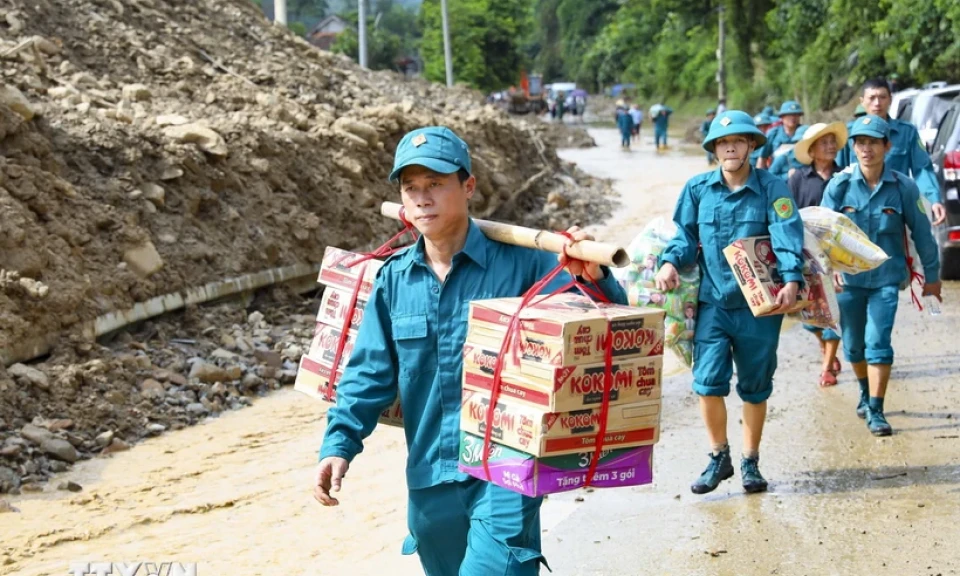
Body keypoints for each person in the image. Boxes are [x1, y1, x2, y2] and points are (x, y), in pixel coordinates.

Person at [313, 126, 627, 576]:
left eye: (436, 184)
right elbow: (369, 374)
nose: (422, 198)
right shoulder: (394, 279)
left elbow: (605, 328)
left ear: (469, 186)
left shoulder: (527, 263)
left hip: (505, 473)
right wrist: (339, 445)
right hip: (428, 478)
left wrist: (594, 275)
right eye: (411, 188)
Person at [656, 110, 805, 495]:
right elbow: (684, 237)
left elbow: (787, 235)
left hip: (761, 309)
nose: (730, 148)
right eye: (723, 143)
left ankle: (750, 461)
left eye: (738, 141)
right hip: (712, 304)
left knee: (756, 386)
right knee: (707, 383)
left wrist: (791, 278)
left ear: (752, 145)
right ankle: (718, 456)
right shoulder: (697, 189)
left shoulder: (773, 189)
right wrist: (670, 262)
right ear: (714, 149)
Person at [821, 115, 941, 436]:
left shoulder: (903, 186)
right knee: (853, 347)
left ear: (887, 146)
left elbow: (923, 234)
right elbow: (819, 234)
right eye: (861, 142)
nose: (866, 149)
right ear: (853, 148)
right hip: (847, 283)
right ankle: (863, 390)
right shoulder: (839, 186)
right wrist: (824, 273)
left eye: (874, 142)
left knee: (878, 342)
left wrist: (932, 277)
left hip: (887, 279)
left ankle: (876, 408)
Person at [837, 78, 946, 225]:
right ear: (862, 101)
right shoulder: (849, 133)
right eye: (872, 98)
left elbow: (922, 169)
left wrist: (934, 199)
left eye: (882, 97)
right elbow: (838, 173)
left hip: (895, 210)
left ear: (890, 99)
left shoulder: (906, 132)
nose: (877, 103)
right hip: (858, 212)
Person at [790, 121, 849, 386]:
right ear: (812, 150)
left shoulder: (845, 177)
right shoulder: (797, 180)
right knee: (810, 315)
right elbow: (787, 216)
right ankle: (824, 346)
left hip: (838, 252)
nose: (830, 146)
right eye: (823, 143)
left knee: (836, 309)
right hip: (808, 253)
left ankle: (828, 366)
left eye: (832, 142)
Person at [757, 101, 806, 169]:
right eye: (789, 115)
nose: (793, 118)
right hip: (777, 175)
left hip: (801, 174)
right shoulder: (773, 133)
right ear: (782, 117)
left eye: (796, 115)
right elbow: (762, 158)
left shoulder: (805, 132)